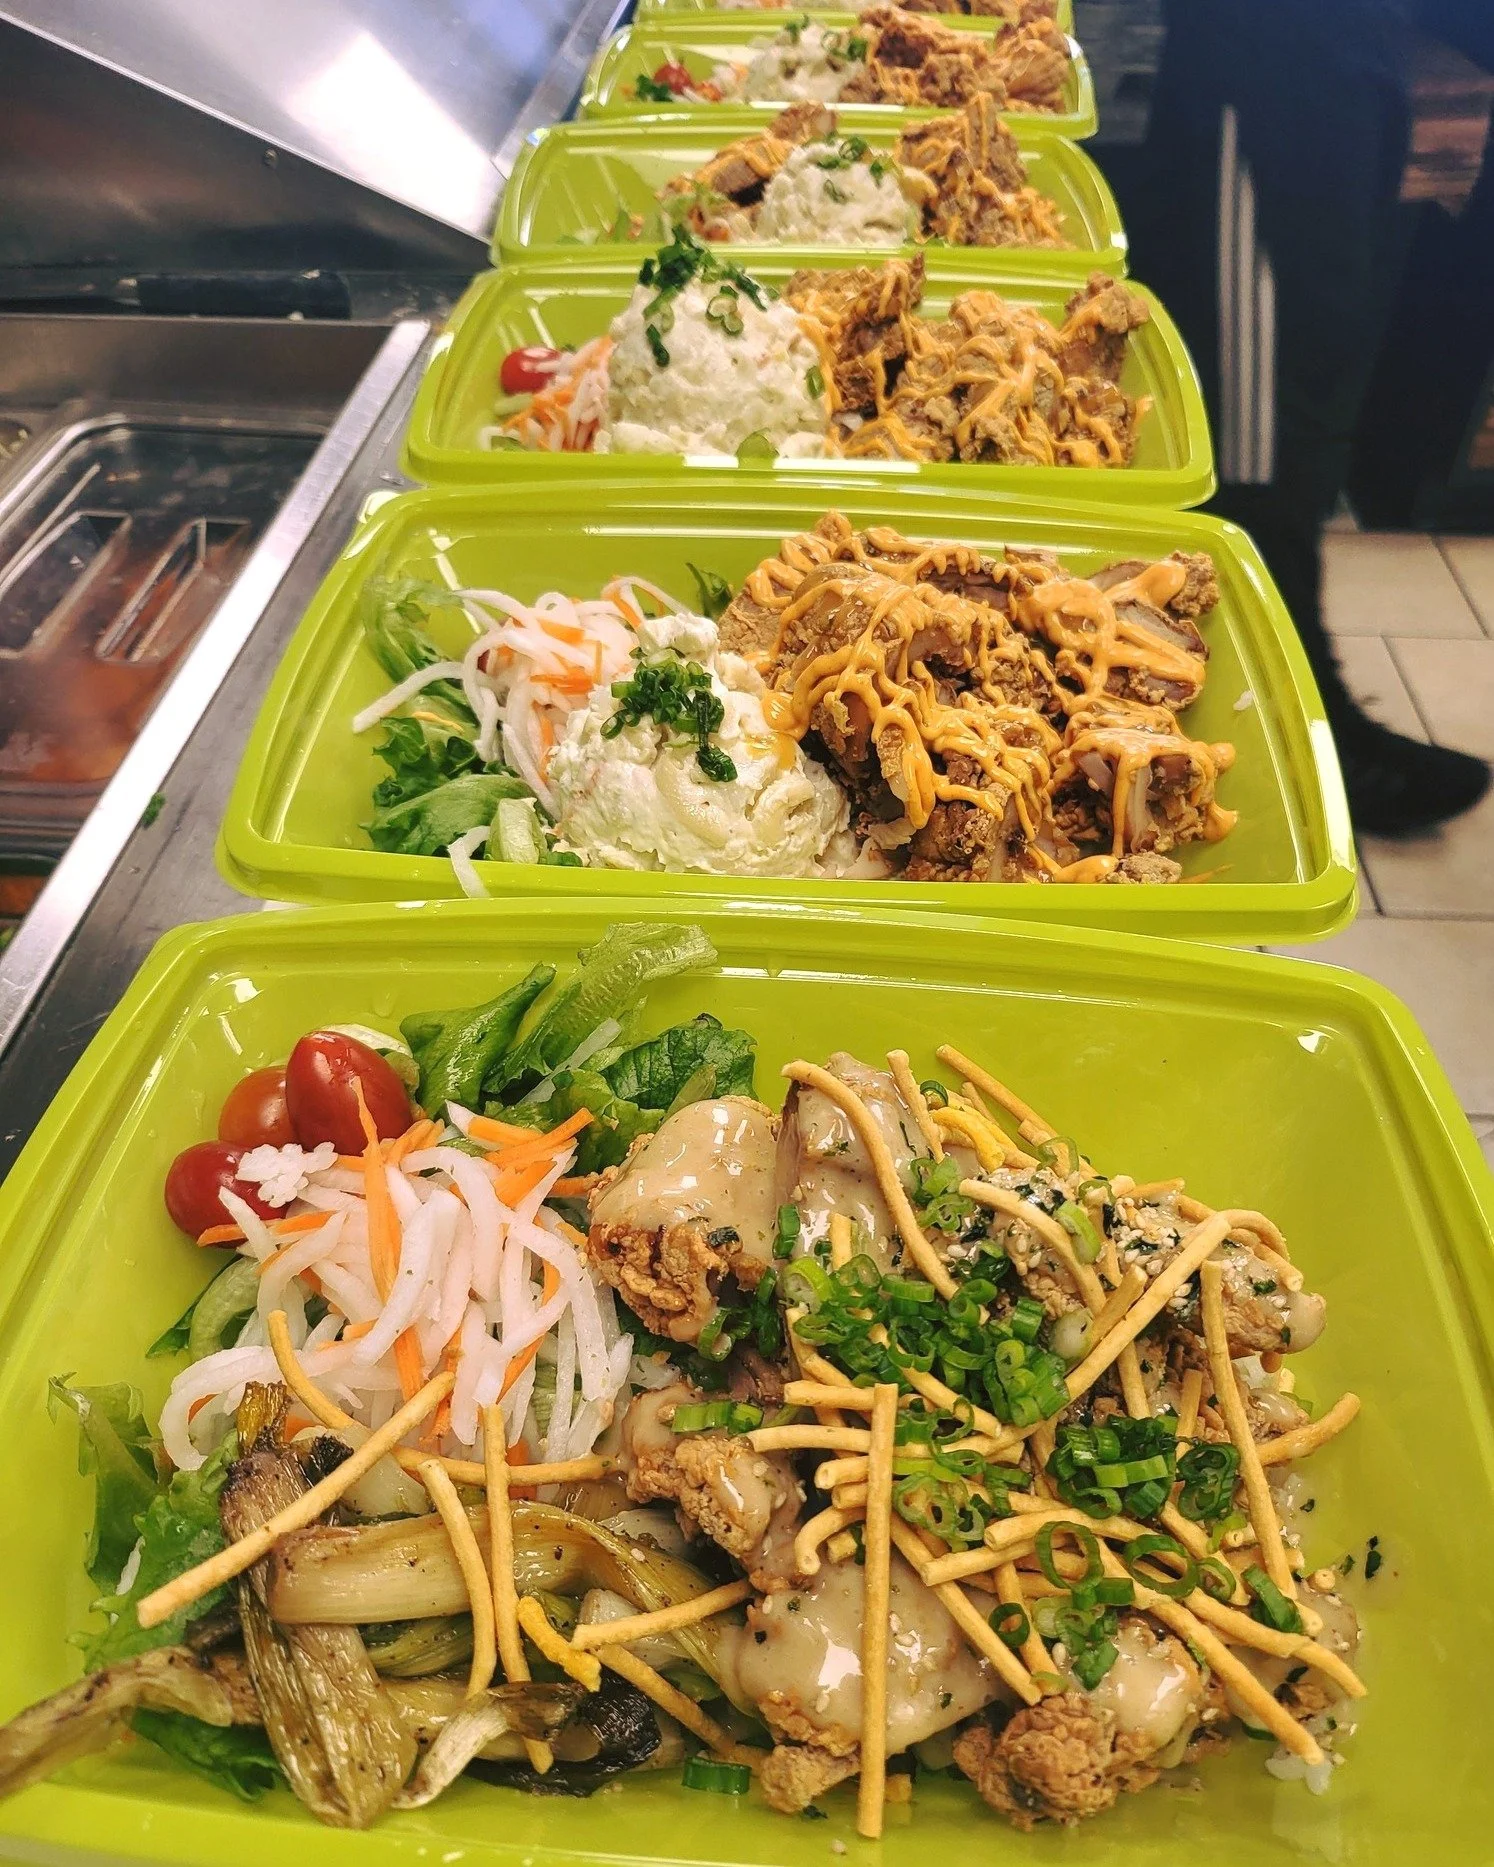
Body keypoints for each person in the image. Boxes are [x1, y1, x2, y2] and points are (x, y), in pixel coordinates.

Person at [1121, 0, 1491, 836]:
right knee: (1258, 447)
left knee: (1306, 408)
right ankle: (1300, 739)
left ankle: (1290, 712)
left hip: (1346, 72)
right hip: (1266, 79)